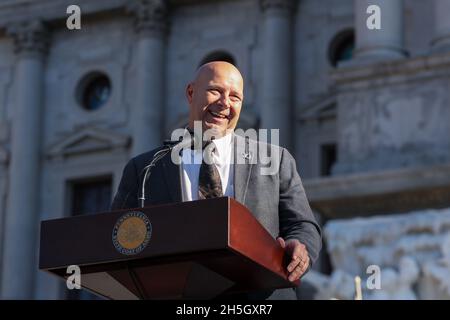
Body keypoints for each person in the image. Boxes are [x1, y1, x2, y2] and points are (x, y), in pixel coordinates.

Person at [111, 61, 322, 300]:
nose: (225, 103)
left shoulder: (275, 159)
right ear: (191, 93)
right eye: (215, 91)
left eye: (235, 97)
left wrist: (299, 246)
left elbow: (303, 226)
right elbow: (116, 238)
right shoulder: (146, 168)